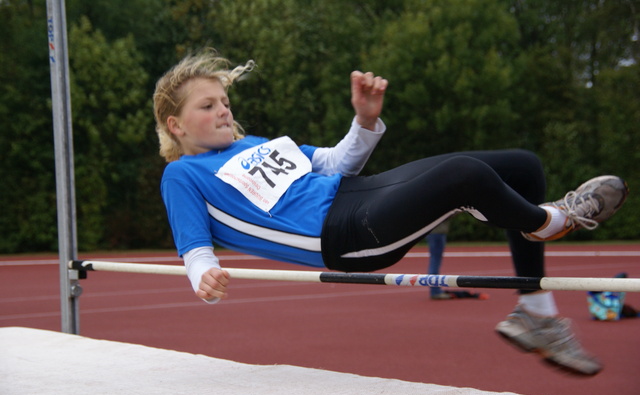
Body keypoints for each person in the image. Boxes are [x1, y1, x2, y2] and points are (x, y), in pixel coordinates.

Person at [153, 49, 629, 375]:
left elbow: (337, 163)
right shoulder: (182, 175)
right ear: (175, 125)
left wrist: (364, 119)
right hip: (345, 234)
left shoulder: (252, 144)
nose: (224, 111)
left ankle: (537, 313)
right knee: (464, 176)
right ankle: (554, 222)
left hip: (359, 190)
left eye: (225, 101)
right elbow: (194, 247)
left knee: (521, 166)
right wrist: (204, 275)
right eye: (208, 105)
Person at [426, 220, 489, 300]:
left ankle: (435, 290)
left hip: (434, 230)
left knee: (435, 260)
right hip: (437, 231)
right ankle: (435, 291)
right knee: (435, 260)